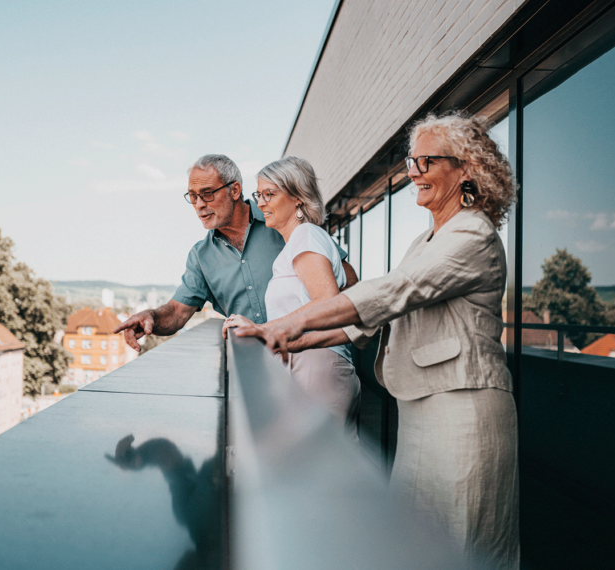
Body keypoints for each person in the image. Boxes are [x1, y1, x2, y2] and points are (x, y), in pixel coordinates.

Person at [234, 111, 520, 568]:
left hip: (463, 410)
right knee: (417, 545)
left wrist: (284, 325)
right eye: (413, 161)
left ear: (466, 168)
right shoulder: (428, 239)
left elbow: (393, 290)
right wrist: (288, 339)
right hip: (419, 407)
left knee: (462, 545)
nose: (414, 172)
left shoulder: (473, 233)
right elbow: (366, 323)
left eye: (427, 161)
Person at [115, 154, 356, 350]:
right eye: (193, 196)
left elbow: (346, 283)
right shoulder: (201, 256)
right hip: (256, 367)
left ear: (235, 190)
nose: (199, 205)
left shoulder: (285, 224)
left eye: (207, 193)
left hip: (312, 355)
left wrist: (336, 338)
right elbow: (177, 312)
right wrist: (151, 316)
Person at [223, 157, 360, 428]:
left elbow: (328, 304)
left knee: (317, 465)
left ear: (298, 197)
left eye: (269, 194)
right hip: (307, 365)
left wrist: (261, 330)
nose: (260, 203)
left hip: (317, 366)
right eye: (258, 194)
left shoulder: (306, 235)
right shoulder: (298, 242)